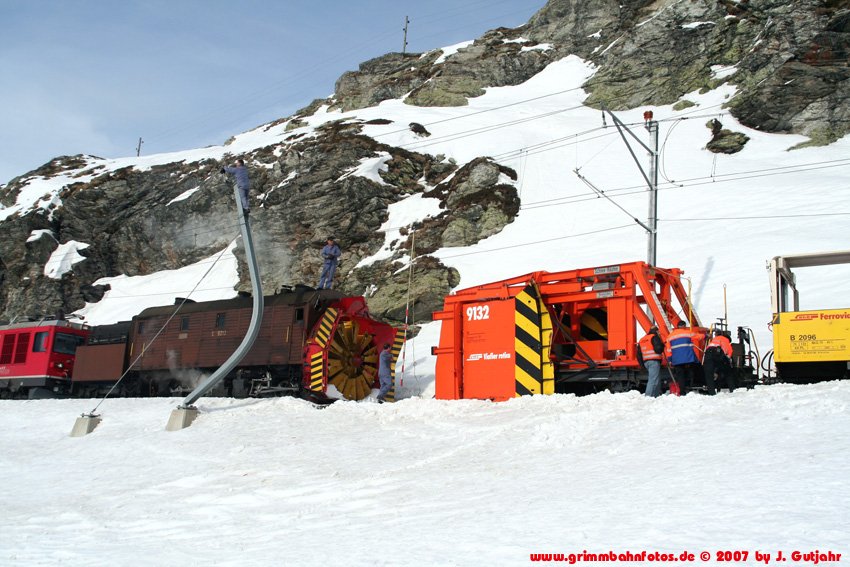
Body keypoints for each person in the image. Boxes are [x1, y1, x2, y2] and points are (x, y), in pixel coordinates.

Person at [664, 320, 704, 395]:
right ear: (684, 326)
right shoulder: (687, 333)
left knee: (680, 376)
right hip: (688, 358)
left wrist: (670, 359)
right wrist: (705, 336)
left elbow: (668, 350)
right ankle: (692, 387)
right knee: (693, 371)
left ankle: (682, 392)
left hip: (676, 360)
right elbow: (698, 337)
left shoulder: (670, 336)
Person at [703, 329, 736, 394]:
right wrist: (728, 361)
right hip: (717, 352)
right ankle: (732, 389)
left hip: (708, 353)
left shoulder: (713, 340)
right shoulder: (725, 339)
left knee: (709, 374)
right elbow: (729, 351)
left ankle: (711, 392)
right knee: (727, 372)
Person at [637, 326, 664, 397]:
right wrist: (662, 345)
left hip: (646, 362)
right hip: (654, 361)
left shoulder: (642, 339)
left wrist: (642, 365)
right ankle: (648, 396)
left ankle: (656, 395)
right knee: (653, 379)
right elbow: (658, 349)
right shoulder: (654, 337)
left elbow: (638, 354)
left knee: (655, 378)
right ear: (656, 331)